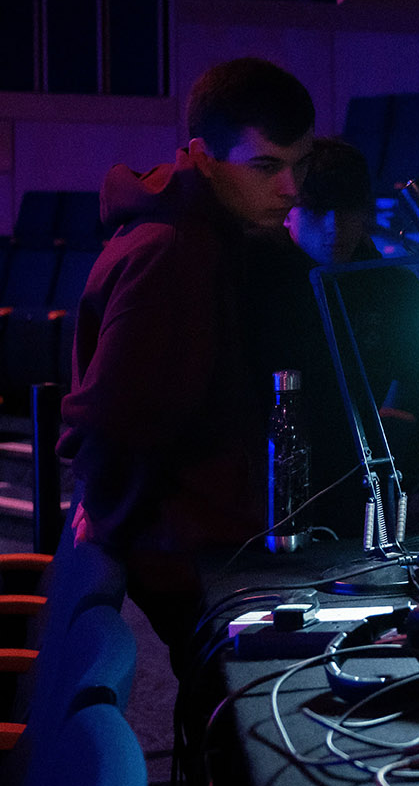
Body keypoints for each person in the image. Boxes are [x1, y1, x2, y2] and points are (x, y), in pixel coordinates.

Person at [59, 56, 315, 652]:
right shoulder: (177, 249)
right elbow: (111, 417)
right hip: (194, 550)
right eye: (265, 166)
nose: (291, 188)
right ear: (203, 157)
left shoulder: (195, 230)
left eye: (301, 164)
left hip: (200, 541)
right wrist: (108, 510)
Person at [269, 138, 419, 538]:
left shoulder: (392, 289)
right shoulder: (262, 290)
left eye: (347, 210)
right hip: (278, 510)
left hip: (374, 504)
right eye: (316, 210)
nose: (334, 226)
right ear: (289, 212)